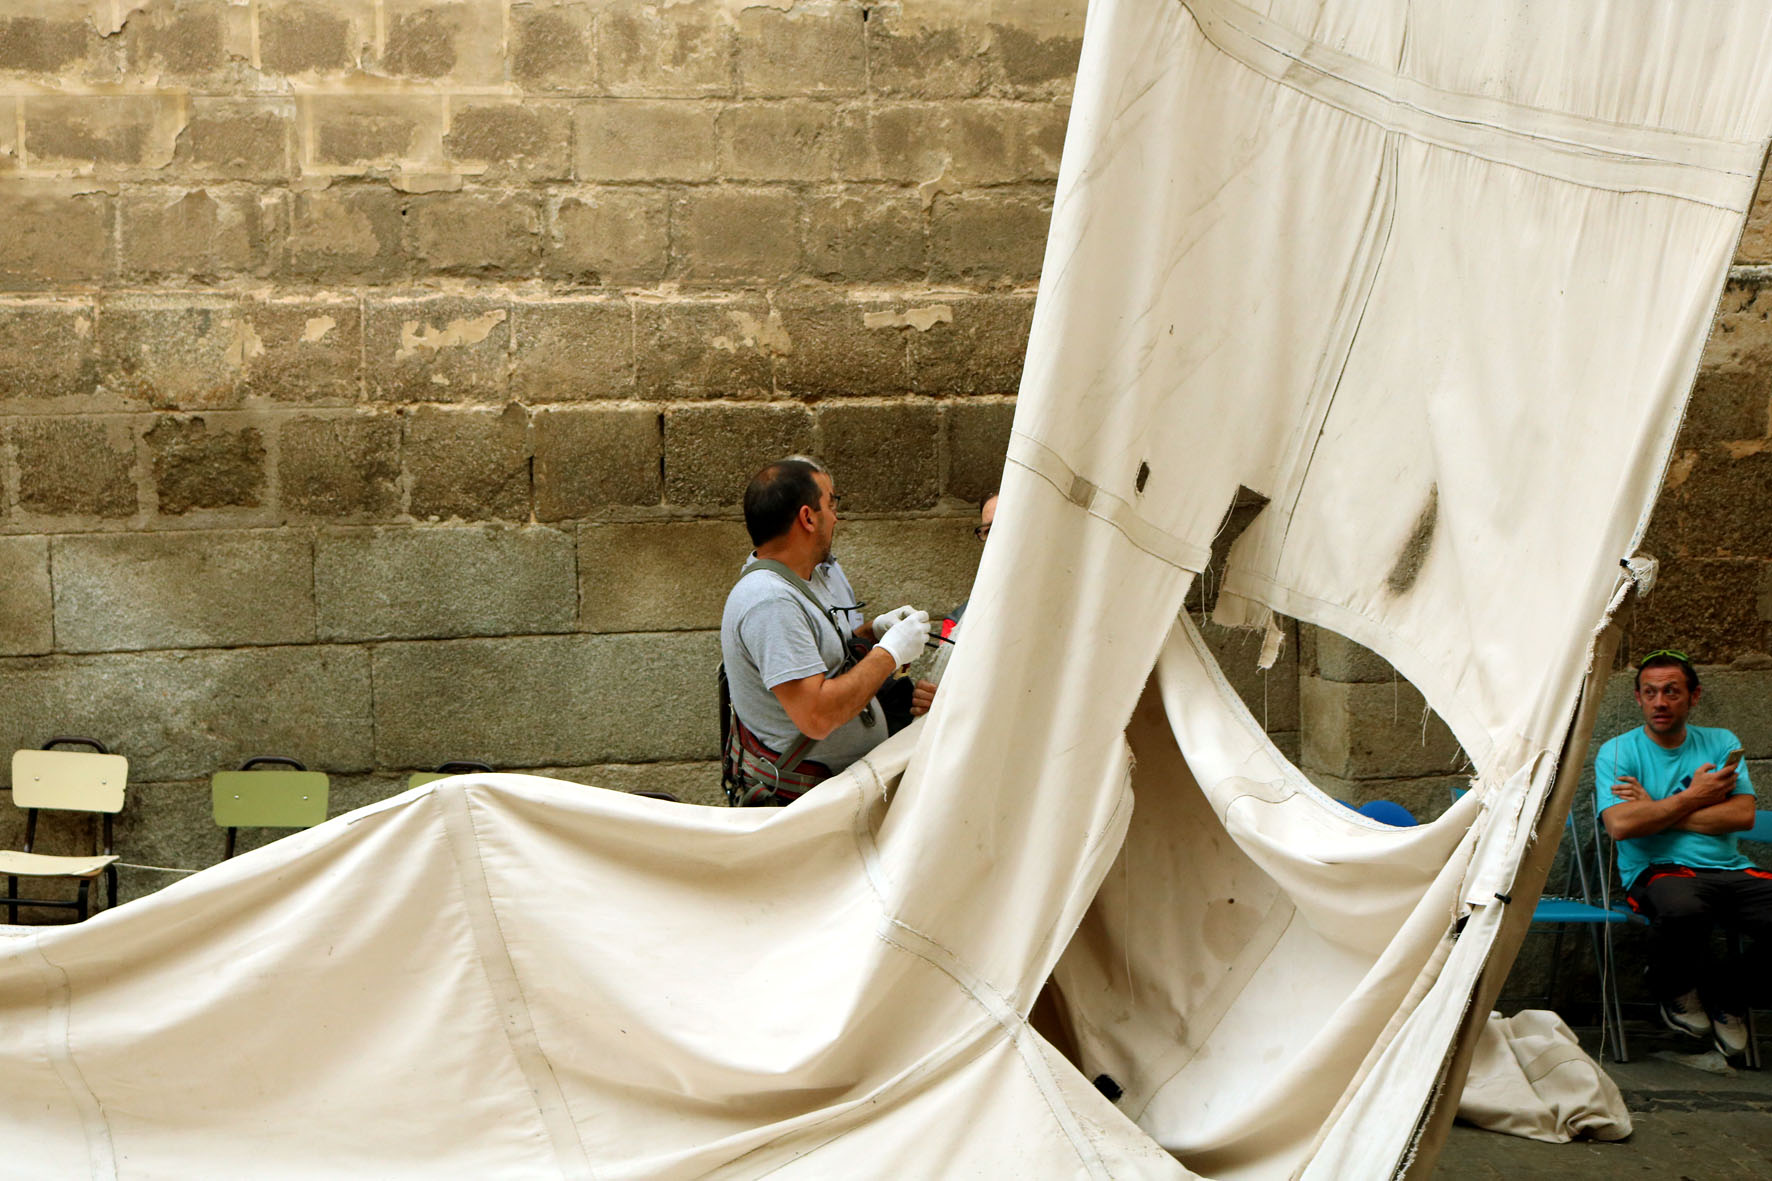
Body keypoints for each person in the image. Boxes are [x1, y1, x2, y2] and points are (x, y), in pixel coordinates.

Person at [720, 457, 931, 806]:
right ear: (807, 517)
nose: (836, 516)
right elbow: (816, 715)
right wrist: (890, 653)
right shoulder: (769, 601)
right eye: (831, 503)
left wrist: (875, 633)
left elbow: (826, 660)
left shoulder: (800, 580)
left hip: (830, 800)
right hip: (807, 809)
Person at [1595, 649, 1771, 1059]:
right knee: (1685, 911)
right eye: (1651, 692)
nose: (1660, 702)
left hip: (1732, 870)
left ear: (1693, 697)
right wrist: (1697, 798)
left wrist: (1654, 808)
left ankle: (1729, 999)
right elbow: (1620, 826)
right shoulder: (1619, 752)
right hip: (1659, 869)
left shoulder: (1722, 742)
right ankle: (1674, 987)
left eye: (1672, 691)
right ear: (1638, 698)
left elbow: (1743, 815)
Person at [910, 492, 997, 718]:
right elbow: (940, 689)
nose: (996, 536)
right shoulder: (959, 620)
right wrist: (929, 697)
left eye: (1006, 524)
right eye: (988, 530)